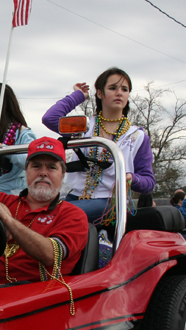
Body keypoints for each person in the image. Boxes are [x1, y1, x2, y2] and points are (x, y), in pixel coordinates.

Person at [42, 68, 155, 223]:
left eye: (124, 89)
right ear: (100, 93)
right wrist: (79, 96)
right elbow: (50, 118)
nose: (119, 93)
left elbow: (149, 183)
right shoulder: (84, 126)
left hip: (110, 203)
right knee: (41, 213)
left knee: (56, 215)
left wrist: (131, 178)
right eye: (113, 88)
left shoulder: (137, 136)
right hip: (74, 197)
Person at [0, 137, 88, 284]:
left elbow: (51, 255)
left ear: (63, 174)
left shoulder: (73, 215)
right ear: (26, 171)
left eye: (52, 167)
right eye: (36, 166)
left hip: (40, 300)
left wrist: (8, 221)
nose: (43, 173)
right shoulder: (7, 201)